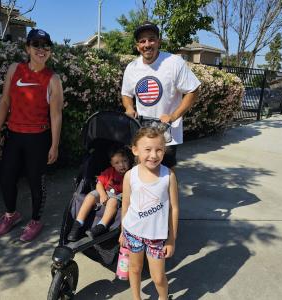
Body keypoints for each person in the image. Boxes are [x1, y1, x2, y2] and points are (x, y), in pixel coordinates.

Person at [0, 28, 64, 242]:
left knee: (35, 182)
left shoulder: (53, 79)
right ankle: (11, 214)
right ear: (28, 48)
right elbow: (5, 102)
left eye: (45, 46)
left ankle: (35, 220)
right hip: (14, 135)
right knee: (6, 178)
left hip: (38, 139)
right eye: (36, 45)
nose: (41, 50)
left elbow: (56, 115)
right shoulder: (15, 70)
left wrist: (55, 145)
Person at [121, 21, 201, 170]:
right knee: (141, 173)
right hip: (141, 131)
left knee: (166, 176)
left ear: (159, 41)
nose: (147, 44)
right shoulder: (132, 68)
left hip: (167, 133)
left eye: (151, 39)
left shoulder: (174, 62)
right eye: (142, 41)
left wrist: (174, 116)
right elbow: (126, 94)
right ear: (137, 45)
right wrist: (129, 107)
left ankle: (171, 194)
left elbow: (193, 90)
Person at [119, 127, 179, 300]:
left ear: (164, 150)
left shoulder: (169, 176)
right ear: (135, 150)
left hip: (156, 237)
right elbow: (126, 205)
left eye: (159, 149)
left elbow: (174, 208)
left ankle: (163, 297)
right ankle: (136, 298)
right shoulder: (130, 175)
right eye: (148, 149)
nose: (153, 155)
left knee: (158, 277)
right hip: (133, 233)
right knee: (135, 269)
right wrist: (123, 230)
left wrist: (171, 238)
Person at [67, 146, 130, 241]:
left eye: (124, 161)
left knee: (112, 201)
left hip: (119, 196)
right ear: (112, 164)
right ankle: (78, 223)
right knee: (90, 196)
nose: (121, 165)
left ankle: (101, 226)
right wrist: (102, 194)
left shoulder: (130, 174)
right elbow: (99, 183)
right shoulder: (109, 172)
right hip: (105, 192)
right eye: (117, 163)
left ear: (129, 161)